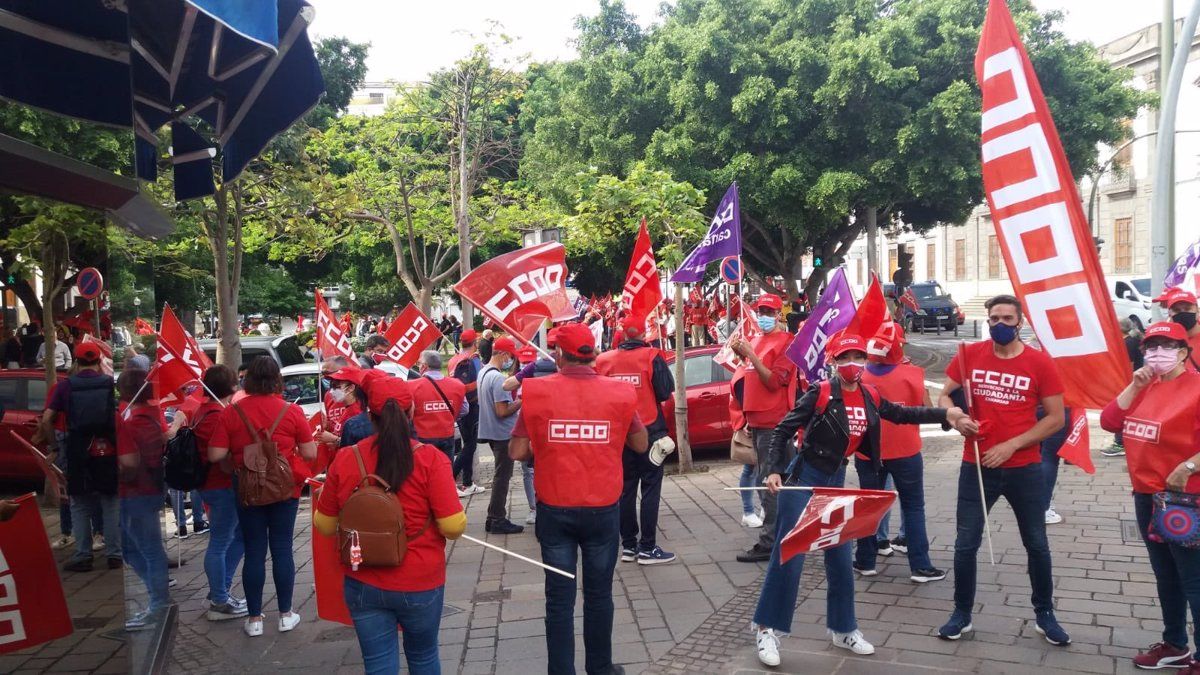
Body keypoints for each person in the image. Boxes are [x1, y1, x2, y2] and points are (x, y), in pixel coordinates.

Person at [751, 333, 971, 667]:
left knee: (841, 560)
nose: (852, 364)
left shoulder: (869, 394)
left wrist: (947, 415)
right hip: (804, 480)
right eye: (844, 358)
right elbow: (782, 431)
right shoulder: (821, 392)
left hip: (836, 481)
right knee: (789, 555)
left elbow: (901, 414)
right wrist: (773, 471)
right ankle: (767, 629)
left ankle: (844, 629)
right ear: (834, 362)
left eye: (858, 357)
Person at [509, 322, 646, 675]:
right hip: (602, 508)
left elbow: (518, 450)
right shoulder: (618, 394)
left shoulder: (536, 392)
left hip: (555, 507)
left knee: (559, 599)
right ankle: (600, 668)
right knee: (599, 595)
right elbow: (641, 444)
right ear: (592, 352)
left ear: (558, 354)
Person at [936, 294, 1070, 645]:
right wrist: (956, 416)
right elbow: (944, 397)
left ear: (1020, 322)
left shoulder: (1040, 363)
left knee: (1037, 544)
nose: (999, 325)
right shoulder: (969, 356)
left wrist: (1013, 444)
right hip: (976, 465)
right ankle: (961, 613)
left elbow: (1056, 418)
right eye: (994, 318)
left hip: (1024, 468)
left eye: (1007, 319)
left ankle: (1045, 613)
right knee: (966, 544)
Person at [316, 376, 466, 674]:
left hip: (363, 579)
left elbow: (324, 525)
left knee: (378, 663)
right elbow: (452, 526)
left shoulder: (347, 457)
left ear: (368, 415)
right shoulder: (431, 460)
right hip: (420, 580)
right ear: (411, 413)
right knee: (423, 657)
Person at [1099, 321, 1200, 671]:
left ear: (1184, 351)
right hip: (1145, 496)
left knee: (1193, 578)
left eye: (1167, 346)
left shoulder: (1197, 388)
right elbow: (1110, 422)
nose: (1158, 353)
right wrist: (1134, 384)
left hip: (1184, 500)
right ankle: (1175, 644)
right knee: (1165, 575)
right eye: (1151, 346)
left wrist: (1188, 466)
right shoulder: (1145, 385)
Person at [207, 356, 317, 637]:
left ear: (248, 380)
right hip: (285, 489)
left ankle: (254, 619)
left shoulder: (233, 412)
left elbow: (215, 454)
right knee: (282, 548)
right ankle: (285, 614)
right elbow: (310, 453)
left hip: (247, 489)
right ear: (277, 380)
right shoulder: (291, 411)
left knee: (254, 550)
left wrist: (237, 455)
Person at [852, 323, 946, 582]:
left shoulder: (859, 377)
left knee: (868, 506)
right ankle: (920, 566)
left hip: (868, 452)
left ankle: (865, 560)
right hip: (906, 451)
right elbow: (925, 409)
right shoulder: (912, 373)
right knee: (914, 506)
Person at [595, 315, 677, 565]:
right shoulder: (652, 356)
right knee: (651, 487)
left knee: (625, 490)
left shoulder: (604, 361)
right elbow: (664, 392)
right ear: (643, 334)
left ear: (622, 334)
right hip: (650, 431)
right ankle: (648, 547)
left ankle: (629, 546)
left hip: (619, 433)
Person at [731, 294, 800, 563]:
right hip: (758, 420)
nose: (763, 315)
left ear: (779, 314)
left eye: (768, 311)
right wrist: (743, 356)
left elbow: (773, 383)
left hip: (774, 422)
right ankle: (783, 534)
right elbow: (749, 377)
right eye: (760, 310)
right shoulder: (757, 340)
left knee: (769, 482)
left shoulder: (787, 342)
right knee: (776, 480)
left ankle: (771, 540)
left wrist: (750, 356)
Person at [46, 342, 121, 572]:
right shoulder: (110, 384)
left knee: (79, 504)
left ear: (76, 363)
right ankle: (115, 554)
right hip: (107, 450)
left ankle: (83, 555)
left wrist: (54, 447)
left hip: (77, 450)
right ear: (99, 361)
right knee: (110, 502)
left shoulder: (65, 386)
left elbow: (47, 418)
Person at [184, 365, 249, 620]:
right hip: (221, 485)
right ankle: (219, 600)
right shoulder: (217, 415)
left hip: (213, 485)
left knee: (236, 537)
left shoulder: (205, 411)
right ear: (232, 387)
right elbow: (221, 456)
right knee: (221, 542)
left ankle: (220, 589)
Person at [115, 368, 172, 630]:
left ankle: (158, 602)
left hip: (138, 491)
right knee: (137, 548)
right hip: (147, 490)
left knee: (147, 550)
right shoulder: (150, 417)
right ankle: (157, 597)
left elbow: (131, 462)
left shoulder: (135, 422)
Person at [477, 337, 524, 534]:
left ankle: (493, 517)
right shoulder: (497, 378)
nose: (510, 361)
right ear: (504, 354)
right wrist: (522, 400)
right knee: (502, 477)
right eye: (510, 357)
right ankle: (497, 518)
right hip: (502, 433)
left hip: (491, 431)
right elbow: (502, 411)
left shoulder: (483, 372)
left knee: (500, 475)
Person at [410, 350, 468, 462]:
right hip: (447, 435)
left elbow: (407, 413)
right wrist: (447, 415)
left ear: (424, 366)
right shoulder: (458, 385)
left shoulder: (412, 386)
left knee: (425, 473)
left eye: (419, 364)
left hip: (423, 438)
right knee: (445, 471)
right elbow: (465, 410)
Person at [449, 330, 485, 497]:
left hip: (457, 405)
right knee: (471, 445)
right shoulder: (473, 360)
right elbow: (475, 383)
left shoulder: (453, 360)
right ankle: (451, 477)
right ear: (475, 342)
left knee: (467, 444)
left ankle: (468, 482)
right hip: (472, 406)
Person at [1103, 318, 1145, 458]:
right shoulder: (1132, 341)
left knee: (1122, 411)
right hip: (1134, 381)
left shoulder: (1127, 344)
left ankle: (1120, 443)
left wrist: (1126, 385)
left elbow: (1128, 365)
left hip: (1129, 381)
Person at [315, 367, 365, 474]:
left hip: (350, 471)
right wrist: (327, 426)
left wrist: (335, 440)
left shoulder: (358, 412)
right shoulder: (347, 409)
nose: (332, 391)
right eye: (331, 386)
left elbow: (361, 446)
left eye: (336, 386)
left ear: (351, 388)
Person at [1155, 287, 1200, 372]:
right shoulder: (1167, 342)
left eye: (1187, 309)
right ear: (1170, 314)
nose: (1183, 313)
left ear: (1197, 310)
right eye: (1177, 310)